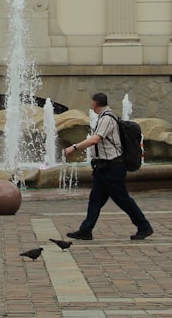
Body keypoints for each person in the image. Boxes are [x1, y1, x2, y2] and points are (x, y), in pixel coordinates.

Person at [63, 92, 153, 241]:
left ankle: (144, 226)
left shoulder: (107, 119)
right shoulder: (105, 117)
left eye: (92, 103)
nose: (91, 105)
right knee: (95, 199)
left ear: (95, 104)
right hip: (103, 168)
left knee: (123, 199)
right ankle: (86, 230)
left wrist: (74, 147)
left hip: (112, 167)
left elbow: (95, 140)